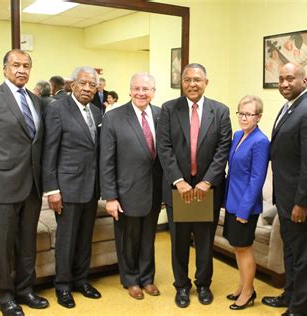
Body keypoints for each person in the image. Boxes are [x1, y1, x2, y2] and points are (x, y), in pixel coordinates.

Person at [0, 49, 48, 316]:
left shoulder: (37, 102)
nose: (22, 70)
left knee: (27, 243)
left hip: (32, 187)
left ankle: (26, 290)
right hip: (1, 187)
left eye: (26, 65)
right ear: (5, 68)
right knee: (2, 246)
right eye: (16, 65)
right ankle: (5, 297)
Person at [157, 63, 232, 308]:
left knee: (204, 240)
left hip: (205, 190)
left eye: (197, 80)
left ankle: (203, 284)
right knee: (178, 241)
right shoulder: (169, 109)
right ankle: (181, 286)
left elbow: (223, 149)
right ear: (182, 83)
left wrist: (207, 181)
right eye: (187, 79)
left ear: (206, 82)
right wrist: (178, 181)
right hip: (178, 189)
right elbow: (164, 147)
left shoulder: (220, 111)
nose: (192, 84)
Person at [262, 62, 307, 316]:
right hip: (287, 196)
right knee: (291, 251)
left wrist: (302, 203)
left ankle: (301, 309)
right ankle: (290, 295)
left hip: (305, 201)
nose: (284, 83)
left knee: (305, 256)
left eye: (290, 78)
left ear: (305, 80)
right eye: (281, 79)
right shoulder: (290, 107)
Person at [42, 66, 103, 309]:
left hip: (91, 189)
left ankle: (81, 280)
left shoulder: (98, 113)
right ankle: (63, 286)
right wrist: (52, 189)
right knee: (66, 240)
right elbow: (49, 151)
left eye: (92, 85)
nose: (87, 88)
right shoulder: (57, 109)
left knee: (85, 238)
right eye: (83, 83)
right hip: (66, 188)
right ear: (73, 85)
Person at [100, 73, 163, 300]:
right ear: (129, 90)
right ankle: (131, 280)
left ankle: (147, 278)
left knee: (148, 237)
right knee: (128, 238)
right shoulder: (114, 117)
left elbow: (164, 156)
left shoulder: (160, 115)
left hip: (154, 191)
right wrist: (110, 197)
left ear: (153, 92)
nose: (141, 93)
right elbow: (106, 159)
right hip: (125, 192)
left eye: (146, 89)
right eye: (136, 88)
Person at [223, 95, 269, 310]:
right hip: (232, 200)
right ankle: (242, 286)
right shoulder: (238, 135)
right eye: (241, 113)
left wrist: (244, 208)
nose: (243, 117)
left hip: (246, 205)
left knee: (244, 248)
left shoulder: (261, 141)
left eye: (249, 114)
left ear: (258, 117)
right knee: (237, 247)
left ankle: (249, 292)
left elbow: (256, 179)